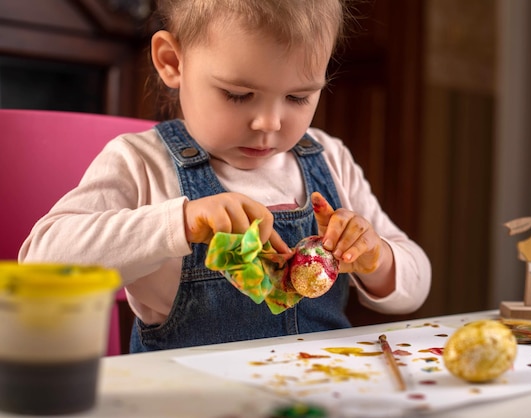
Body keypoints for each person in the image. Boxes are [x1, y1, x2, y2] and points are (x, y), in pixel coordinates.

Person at [19, 0, 431, 352]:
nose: (268, 123)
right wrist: (178, 224)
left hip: (319, 389)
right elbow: (40, 266)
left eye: (298, 97)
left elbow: (416, 285)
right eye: (238, 94)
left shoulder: (329, 158)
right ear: (172, 61)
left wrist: (375, 258)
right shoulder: (141, 163)